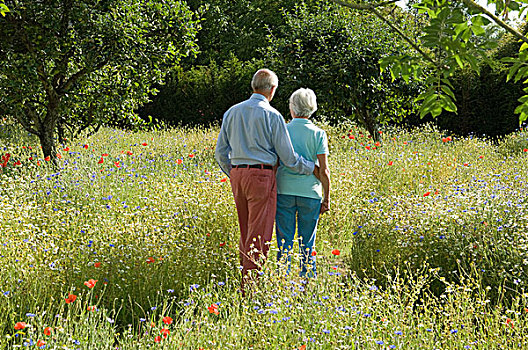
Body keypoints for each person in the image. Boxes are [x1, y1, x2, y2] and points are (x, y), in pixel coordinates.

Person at [215, 69, 317, 293]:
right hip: (261, 175)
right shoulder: (272, 115)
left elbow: (220, 153)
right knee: (259, 233)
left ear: (253, 86)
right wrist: (311, 168)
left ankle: (246, 279)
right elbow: (289, 158)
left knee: (246, 230)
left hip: (238, 175)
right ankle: (249, 289)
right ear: (272, 90)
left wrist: (232, 172)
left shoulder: (232, 112)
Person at [275, 88, 330, 278]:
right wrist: (327, 197)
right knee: (308, 241)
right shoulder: (319, 134)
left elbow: (276, 162)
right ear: (312, 108)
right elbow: (324, 170)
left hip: (284, 190)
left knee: (284, 240)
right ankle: (307, 281)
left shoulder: (282, 129)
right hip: (310, 193)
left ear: (292, 107)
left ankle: (282, 280)